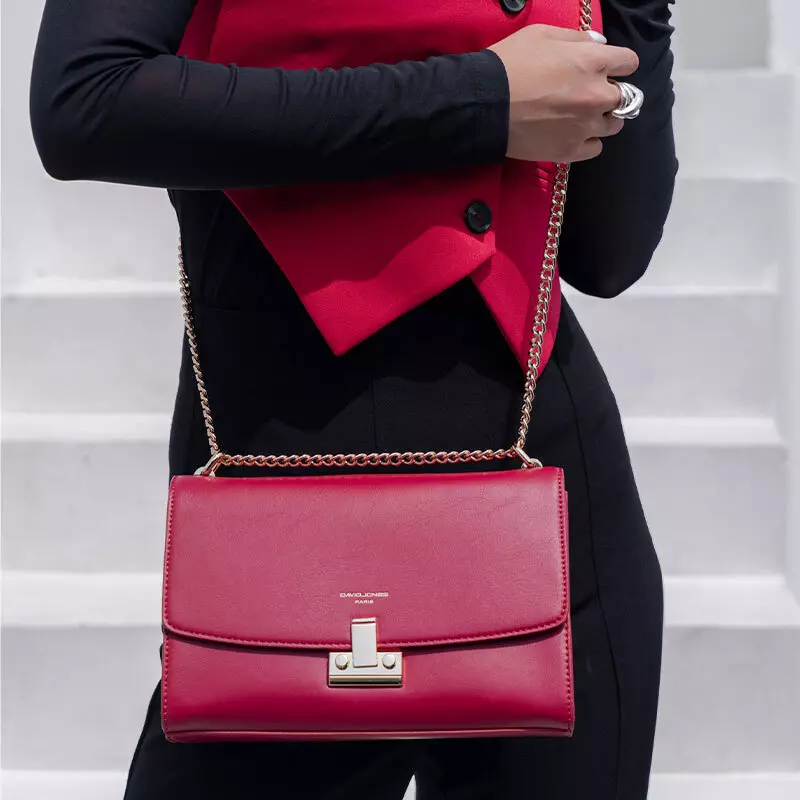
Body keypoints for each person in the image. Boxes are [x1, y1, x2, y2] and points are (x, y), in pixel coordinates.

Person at [28, 0, 677, 797]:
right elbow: (86, 100)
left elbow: (610, 253)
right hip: (287, 500)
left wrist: (638, 19)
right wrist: (481, 99)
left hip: (550, 500)